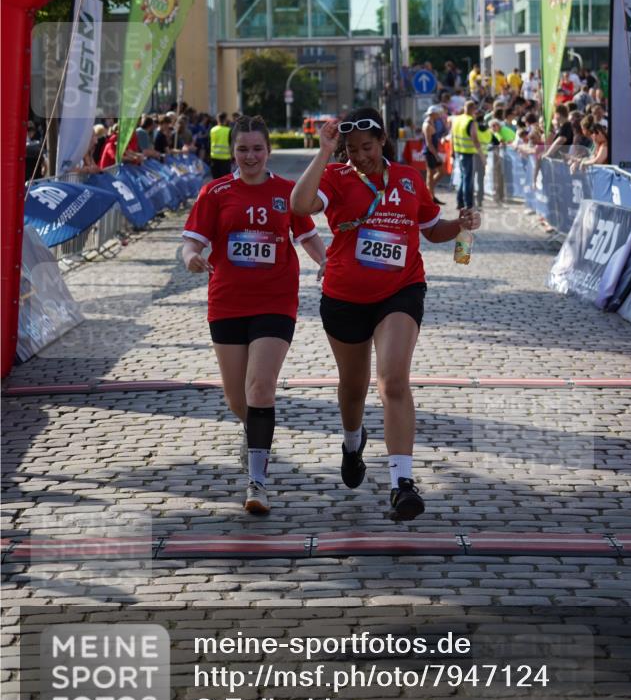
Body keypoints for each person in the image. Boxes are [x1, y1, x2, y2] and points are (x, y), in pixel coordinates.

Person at [290, 107, 481, 522]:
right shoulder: (337, 177)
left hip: (401, 290)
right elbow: (299, 204)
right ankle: (352, 442)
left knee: (393, 379)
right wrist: (324, 152)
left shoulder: (409, 179)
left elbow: (431, 229)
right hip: (344, 296)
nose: (361, 156)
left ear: (383, 142)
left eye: (368, 147)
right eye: (353, 149)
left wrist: (460, 223)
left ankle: (402, 483)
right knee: (353, 386)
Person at [182, 115, 326, 515]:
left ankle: (257, 482)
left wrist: (326, 262)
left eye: (257, 149)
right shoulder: (215, 192)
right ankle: (256, 434)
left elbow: (307, 235)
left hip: (276, 300)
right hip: (227, 302)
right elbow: (191, 243)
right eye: (243, 149)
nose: (250, 156)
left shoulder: (287, 192)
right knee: (237, 399)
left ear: (268, 151)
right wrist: (193, 258)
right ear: (232, 152)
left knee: (261, 387)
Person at [451, 100, 484, 211]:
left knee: (463, 177)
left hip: (458, 151)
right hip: (467, 153)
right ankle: (469, 204)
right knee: (468, 179)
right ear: (472, 109)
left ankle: (460, 202)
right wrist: (482, 155)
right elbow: (474, 138)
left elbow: (452, 135)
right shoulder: (470, 121)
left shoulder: (457, 119)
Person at [420, 104, 447, 202]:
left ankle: (429, 190)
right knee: (430, 174)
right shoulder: (427, 125)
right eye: (437, 114)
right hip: (430, 152)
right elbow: (429, 143)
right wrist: (436, 155)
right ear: (433, 114)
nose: (439, 116)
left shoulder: (432, 122)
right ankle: (430, 195)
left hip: (433, 151)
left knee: (441, 172)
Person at [209, 112, 232, 178]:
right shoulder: (228, 130)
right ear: (225, 120)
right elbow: (232, 144)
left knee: (216, 180)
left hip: (214, 158)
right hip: (225, 159)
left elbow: (209, 143)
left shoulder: (212, 130)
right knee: (225, 180)